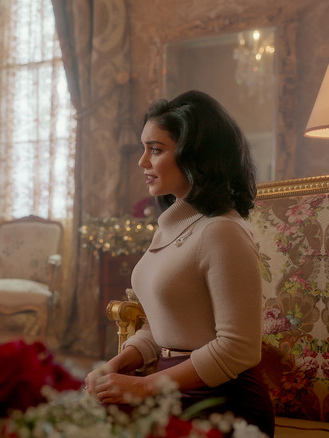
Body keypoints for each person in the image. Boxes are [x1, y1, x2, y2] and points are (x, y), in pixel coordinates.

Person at [85, 90, 274, 436]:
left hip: (221, 402)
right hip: (171, 389)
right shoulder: (174, 226)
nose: (142, 162)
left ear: (195, 155)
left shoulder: (221, 232)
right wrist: (119, 362)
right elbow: (168, 326)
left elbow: (239, 348)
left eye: (155, 150)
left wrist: (144, 386)